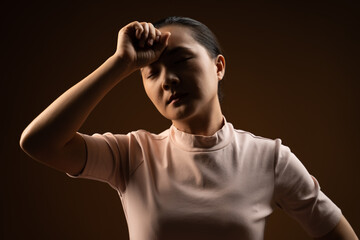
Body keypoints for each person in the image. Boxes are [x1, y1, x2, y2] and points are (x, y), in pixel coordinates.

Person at [20, 16, 358, 240]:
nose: (168, 80)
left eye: (181, 61)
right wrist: (120, 62)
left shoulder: (269, 158)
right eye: (151, 72)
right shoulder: (132, 154)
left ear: (218, 66)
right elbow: (39, 143)